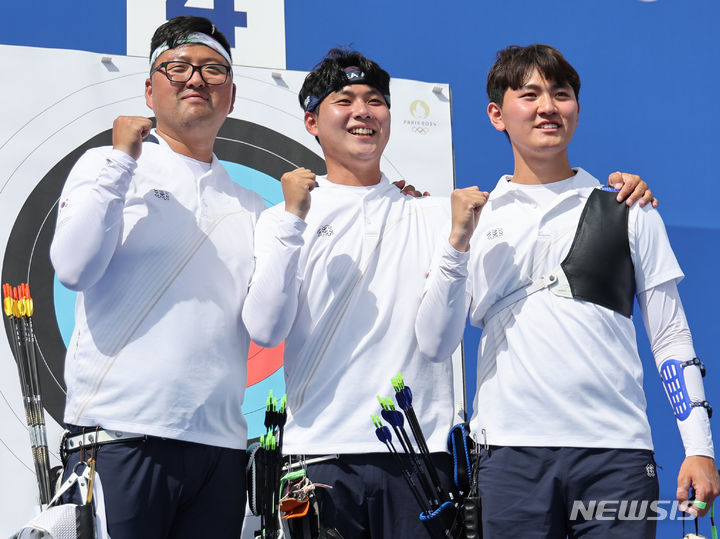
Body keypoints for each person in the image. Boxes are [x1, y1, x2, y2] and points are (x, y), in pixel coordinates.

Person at [241, 47, 654, 538]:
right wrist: (293, 220)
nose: (362, 112)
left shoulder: (440, 215)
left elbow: (439, 343)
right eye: (344, 100)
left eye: (375, 100)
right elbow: (264, 330)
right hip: (320, 456)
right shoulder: (283, 217)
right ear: (311, 120)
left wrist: (626, 194)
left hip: (422, 461)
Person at [415, 43, 720, 538]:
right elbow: (433, 343)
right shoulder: (472, 218)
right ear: (497, 114)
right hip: (508, 456)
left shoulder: (629, 208)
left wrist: (699, 447)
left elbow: (671, 339)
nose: (547, 107)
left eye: (561, 94)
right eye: (529, 94)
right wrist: (455, 244)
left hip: (617, 456)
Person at [49, 16, 265, 538]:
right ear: (150, 88)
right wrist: (123, 158)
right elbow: (73, 268)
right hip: (118, 438)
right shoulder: (107, 165)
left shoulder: (254, 206)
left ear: (231, 96)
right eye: (178, 68)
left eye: (213, 70)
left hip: (221, 450)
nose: (196, 80)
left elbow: (270, 321)